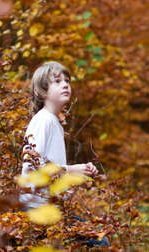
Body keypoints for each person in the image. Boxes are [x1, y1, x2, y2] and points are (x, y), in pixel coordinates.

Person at [19, 61, 109, 247]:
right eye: (57, 81)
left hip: (52, 207)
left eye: (67, 80)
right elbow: (31, 165)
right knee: (100, 243)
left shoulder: (53, 122)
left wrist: (82, 171)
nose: (65, 84)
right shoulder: (43, 121)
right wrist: (70, 170)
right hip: (37, 208)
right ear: (40, 92)